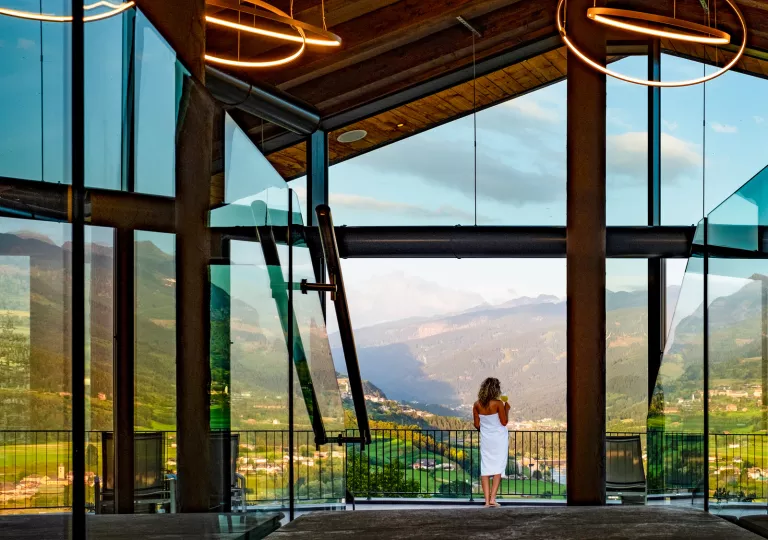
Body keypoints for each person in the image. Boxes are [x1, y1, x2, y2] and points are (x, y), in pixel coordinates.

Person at [473, 377, 510, 508]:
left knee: (486, 467)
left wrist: (486, 427)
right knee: (498, 467)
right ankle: (493, 498)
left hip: (486, 439)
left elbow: (477, 425)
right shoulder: (498, 403)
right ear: (496, 389)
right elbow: (504, 422)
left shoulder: (477, 404)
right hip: (499, 438)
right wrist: (507, 409)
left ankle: (487, 502)